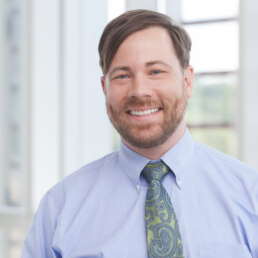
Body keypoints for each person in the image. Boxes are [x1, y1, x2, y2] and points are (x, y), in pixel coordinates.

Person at [22, 9, 258, 258]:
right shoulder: (60, 209)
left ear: (187, 82)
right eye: (122, 76)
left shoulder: (250, 195)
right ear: (105, 89)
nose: (140, 90)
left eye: (156, 71)